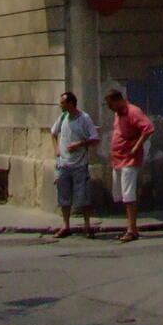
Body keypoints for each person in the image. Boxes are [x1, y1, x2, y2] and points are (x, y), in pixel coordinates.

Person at [101, 88, 153, 242]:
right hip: (118, 158)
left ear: (117, 100)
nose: (110, 109)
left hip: (129, 159)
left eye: (111, 105)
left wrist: (136, 147)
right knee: (121, 195)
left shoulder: (133, 111)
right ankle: (129, 226)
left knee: (129, 195)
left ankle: (132, 229)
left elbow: (148, 128)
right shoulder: (118, 114)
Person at [46, 90, 98, 238]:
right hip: (64, 164)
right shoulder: (63, 117)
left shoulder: (84, 119)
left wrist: (79, 144)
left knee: (83, 197)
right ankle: (65, 225)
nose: (60, 105)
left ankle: (87, 226)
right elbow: (53, 133)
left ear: (71, 103)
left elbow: (95, 138)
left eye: (63, 102)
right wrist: (56, 149)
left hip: (80, 164)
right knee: (64, 196)